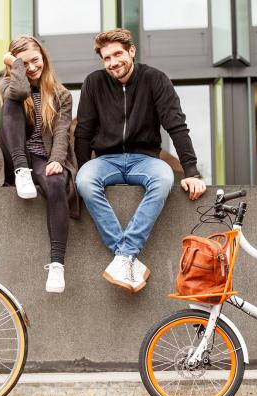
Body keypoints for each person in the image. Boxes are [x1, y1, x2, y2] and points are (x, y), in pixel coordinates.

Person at [74, 28, 206, 294]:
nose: (113, 63)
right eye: (106, 58)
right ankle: (127, 257)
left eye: (117, 54)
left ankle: (123, 257)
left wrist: (191, 171)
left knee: (164, 178)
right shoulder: (94, 83)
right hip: (106, 159)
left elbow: (176, 126)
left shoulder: (155, 80)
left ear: (131, 51)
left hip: (145, 159)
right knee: (85, 181)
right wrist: (78, 171)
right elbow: (83, 132)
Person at [0, 35, 77, 294]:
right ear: (15, 65)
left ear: (44, 57)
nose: (32, 67)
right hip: (14, 154)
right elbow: (21, 90)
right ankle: (21, 170)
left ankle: (57, 264)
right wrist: (15, 67)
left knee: (57, 183)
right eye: (24, 63)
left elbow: (61, 132)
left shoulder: (61, 95)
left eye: (35, 60)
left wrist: (57, 161)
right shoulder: (8, 86)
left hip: (42, 158)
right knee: (12, 105)